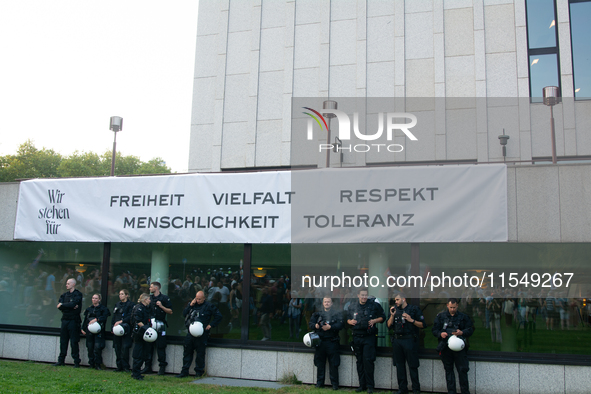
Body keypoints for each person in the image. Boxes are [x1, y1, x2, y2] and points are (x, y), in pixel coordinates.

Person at [432, 298, 475, 394]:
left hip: (459, 348)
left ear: (457, 306)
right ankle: (451, 392)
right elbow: (434, 330)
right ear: (447, 305)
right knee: (448, 370)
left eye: (454, 307)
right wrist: (440, 334)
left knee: (462, 370)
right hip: (445, 348)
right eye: (451, 307)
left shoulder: (463, 317)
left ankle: (465, 391)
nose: (452, 309)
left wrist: (462, 332)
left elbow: (471, 329)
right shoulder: (441, 316)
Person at [347, 288, 385, 394]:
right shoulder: (352, 306)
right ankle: (361, 385)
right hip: (357, 337)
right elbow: (347, 319)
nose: (364, 297)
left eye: (366, 295)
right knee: (359, 362)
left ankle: (370, 386)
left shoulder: (374, 305)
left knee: (368, 361)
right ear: (358, 295)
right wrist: (350, 321)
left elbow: (383, 317)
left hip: (369, 337)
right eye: (362, 295)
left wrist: (375, 320)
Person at [176, 290, 222, 378]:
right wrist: (190, 305)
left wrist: (211, 325)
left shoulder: (209, 306)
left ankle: (199, 372)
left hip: (202, 333)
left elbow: (218, 316)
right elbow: (184, 314)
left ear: (204, 298)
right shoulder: (192, 305)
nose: (198, 301)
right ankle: (184, 371)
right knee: (187, 352)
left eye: (200, 299)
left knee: (200, 353)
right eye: (197, 299)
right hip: (190, 333)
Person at [387, 293, 426, 394]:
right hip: (397, 340)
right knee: (399, 365)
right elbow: (388, 325)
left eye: (397, 300)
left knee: (412, 365)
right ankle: (402, 389)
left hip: (409, 340)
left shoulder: (414, 309)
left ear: (403, 299)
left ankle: (416, 389)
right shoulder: (394, 310)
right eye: (395, 300)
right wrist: (392, 315)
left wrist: (411, 320)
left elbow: (422, 325)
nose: (395, 302)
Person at [309, 297, 343, 390]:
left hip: (332, 342)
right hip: (320, 342)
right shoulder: (317, 314)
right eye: (325, 302)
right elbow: (310, 324)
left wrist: (330, 327)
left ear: (332, 303)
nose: (327, 303)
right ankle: (319, 383)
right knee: (320, 363)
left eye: (328, 302)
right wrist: (315, 325)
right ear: (323, 303)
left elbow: (341, 325)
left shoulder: (336, 314)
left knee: (334, 364)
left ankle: (335, 385)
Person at [142, 281, 173, 375]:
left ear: (156, 288)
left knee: (161, 346)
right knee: (148, 346)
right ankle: (147, 367)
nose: (149, 289)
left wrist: (161, 306)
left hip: (160, 324)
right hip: (150, 324)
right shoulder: (149, 298)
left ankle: (162, 367)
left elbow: (170, 311)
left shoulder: (164, 298)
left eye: (151, 287)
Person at [52, 278, 83, 368]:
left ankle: (76, 362)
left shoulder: (78, 294)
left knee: (74, 342)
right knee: (63, 341)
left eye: (68, 283)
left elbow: (73, 304)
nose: (66, 285)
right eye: (66, 283)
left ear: (73, 284)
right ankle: (61, 361)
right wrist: (67, 305)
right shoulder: (64, 295)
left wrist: (64, 305)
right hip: (65, 320)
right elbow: (59, 306)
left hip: (74, 320)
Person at [81, 293, 111, 369]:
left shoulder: (103, 309)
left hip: (99, 331)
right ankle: (91, 364)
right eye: (93, 298)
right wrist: (83, 328)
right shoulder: (89, 309)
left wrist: (97, 319)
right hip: (89, 331)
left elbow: (104, 317)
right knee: (90, 347)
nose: (94, 300)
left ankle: (98, 364)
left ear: (99, 300)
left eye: (96, 298)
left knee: (97, 347)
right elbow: (85, 320)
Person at [112, 289, 135, 372]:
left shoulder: (131, 305)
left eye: (122, 294)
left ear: (126, 295)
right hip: (116, 329)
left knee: (125, 347)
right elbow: (114, 316)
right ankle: (119, 366)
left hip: (126, 329)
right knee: (117, 347)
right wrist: (112, 326)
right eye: (119, 294)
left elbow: (130, 316)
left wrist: (121, 321)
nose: (120, 295)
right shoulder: (117, 304)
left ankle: (126, 366)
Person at [131, 293, 151, 381]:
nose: (150, 301)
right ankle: (135, 373)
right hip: (139, 333)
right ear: (145, 299)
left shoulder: (146, 308)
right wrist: (146, 329)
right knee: (138, 354)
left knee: (143, 354)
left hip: (144, 333)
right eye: (149, 299)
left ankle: (137, 372)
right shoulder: (138, 308)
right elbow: (138, 321)